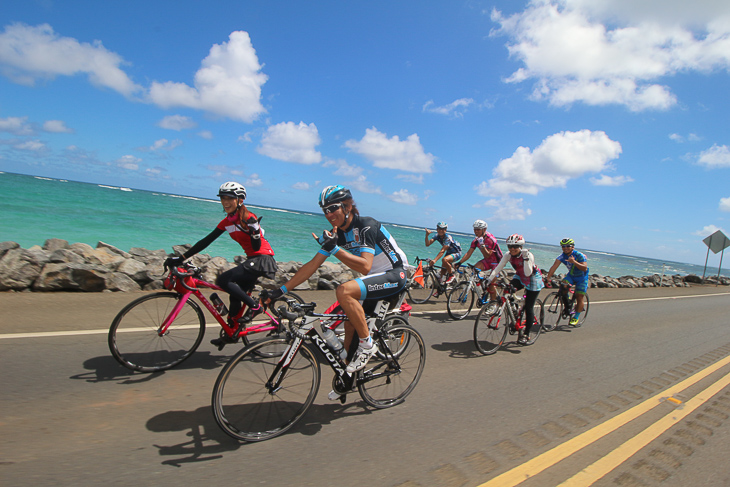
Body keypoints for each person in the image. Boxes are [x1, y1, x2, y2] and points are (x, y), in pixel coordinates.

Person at [265, 185, 409, 398]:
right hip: (375, 279)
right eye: (325, 210)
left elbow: (365, 266)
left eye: (333, 208)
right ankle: (348, 376)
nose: (329, 214)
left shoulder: (366, 226)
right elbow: (311, 266)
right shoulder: (338, 236)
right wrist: (279, 290)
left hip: (396, 275)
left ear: (348, 206)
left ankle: (367, 345)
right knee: (350, 323)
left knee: (344, 291)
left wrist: (334, 248)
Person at [164, 182, 277, 348]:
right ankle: (232, 332)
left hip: (263, 259)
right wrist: (181, 258)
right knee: (235, 295)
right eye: (223, 198)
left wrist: (254, 231)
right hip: (252, 259)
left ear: (240, 200)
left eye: (230, 198)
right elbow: (205, 241)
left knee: (223, 280)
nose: (225, 202)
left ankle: (255, 307)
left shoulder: (248, 218)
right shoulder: (227, 222)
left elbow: (255, 246)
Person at [485, 234, 544, 345]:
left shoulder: (528, 255)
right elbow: (498, 267)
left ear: (521, 247)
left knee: (529, 307)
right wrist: (489, 279)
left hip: (533, 279)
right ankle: (515, 312)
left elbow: (528, 273)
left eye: (515, 246)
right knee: (508, 290)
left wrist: (526, 258)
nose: (512, 249)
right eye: (510, 246)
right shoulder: (508, 255)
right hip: (520, 276)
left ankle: (526, 334)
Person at [454, 219, 503, 306]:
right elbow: (469, 253)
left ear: (484, 229)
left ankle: (493, 304)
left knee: (491, 282)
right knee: (474, 271)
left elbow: (487, 255)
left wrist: (483, 246)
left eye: (478, 229)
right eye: (475, 229)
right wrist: (459, 262)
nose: (476, 231)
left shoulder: (491, 239)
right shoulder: (476, 240)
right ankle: (482, 291)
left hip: (497, 263)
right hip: (487, 261)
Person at [544, 238, 589, 326]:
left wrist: (574, 262)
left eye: (568, 246)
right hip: (571, 276)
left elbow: (584, 268)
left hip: (582, 277)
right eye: (563, 246)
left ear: (572, 247)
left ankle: (576, 317)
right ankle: (568, 304)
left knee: (579, 297)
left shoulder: (579, 255)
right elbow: (554, 266)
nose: (565, 248)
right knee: (563, 285)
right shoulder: (562, 256)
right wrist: (548, 277)